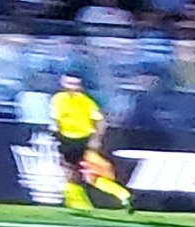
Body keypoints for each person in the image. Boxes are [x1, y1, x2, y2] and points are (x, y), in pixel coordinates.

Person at [50, 73, 133, 211]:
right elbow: (100, 121)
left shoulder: (79, 101)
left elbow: (100, 121)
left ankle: (77, 203)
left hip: (76, 140)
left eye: (74, 84)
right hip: (75, 139)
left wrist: (95, 139)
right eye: (70, 83)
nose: (72, 88)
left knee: (72, 172)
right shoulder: (70, 100)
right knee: (88, 175)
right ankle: (122, 194)